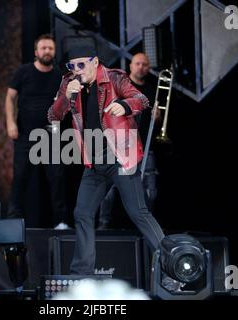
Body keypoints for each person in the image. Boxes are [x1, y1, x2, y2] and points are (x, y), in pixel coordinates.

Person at [48, 46, 165, 275]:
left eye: (81, 65)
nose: (76, 70)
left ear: (94, 62)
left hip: (120, 156)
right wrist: (65, 96)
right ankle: (82, 273)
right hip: (94, 161)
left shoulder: (113, 77)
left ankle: (172, 263)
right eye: (72, 66)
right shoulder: (69, 84)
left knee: (138, 212)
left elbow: (141, 99)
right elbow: (54, 115)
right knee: (82, 212)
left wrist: (124, 105)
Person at [5, 34, 69, 229]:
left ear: (54, 51)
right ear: (36, 52)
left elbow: (66, 101)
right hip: (25, 134)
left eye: (50, 48)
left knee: (57, 178)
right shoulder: (23, 72)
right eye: (43, 48)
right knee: (21, 175)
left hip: (52, 135)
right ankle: (13, 219)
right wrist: (10, 123)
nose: (47, 51)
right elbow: (9, 98)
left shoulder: (60, 75)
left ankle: (61, 221)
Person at [98, 53, 160, 229]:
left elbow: (155, 121)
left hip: (145, 146)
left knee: (150, 189)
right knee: (110, 188)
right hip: (121, 144)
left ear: (148, 68)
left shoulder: (151, 90)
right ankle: (103, 225)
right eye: (137, 63)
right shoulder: (120, 86)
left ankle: (147, 225)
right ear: (131, 66)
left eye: (144, 64)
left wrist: (157, 117)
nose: (141, 67)